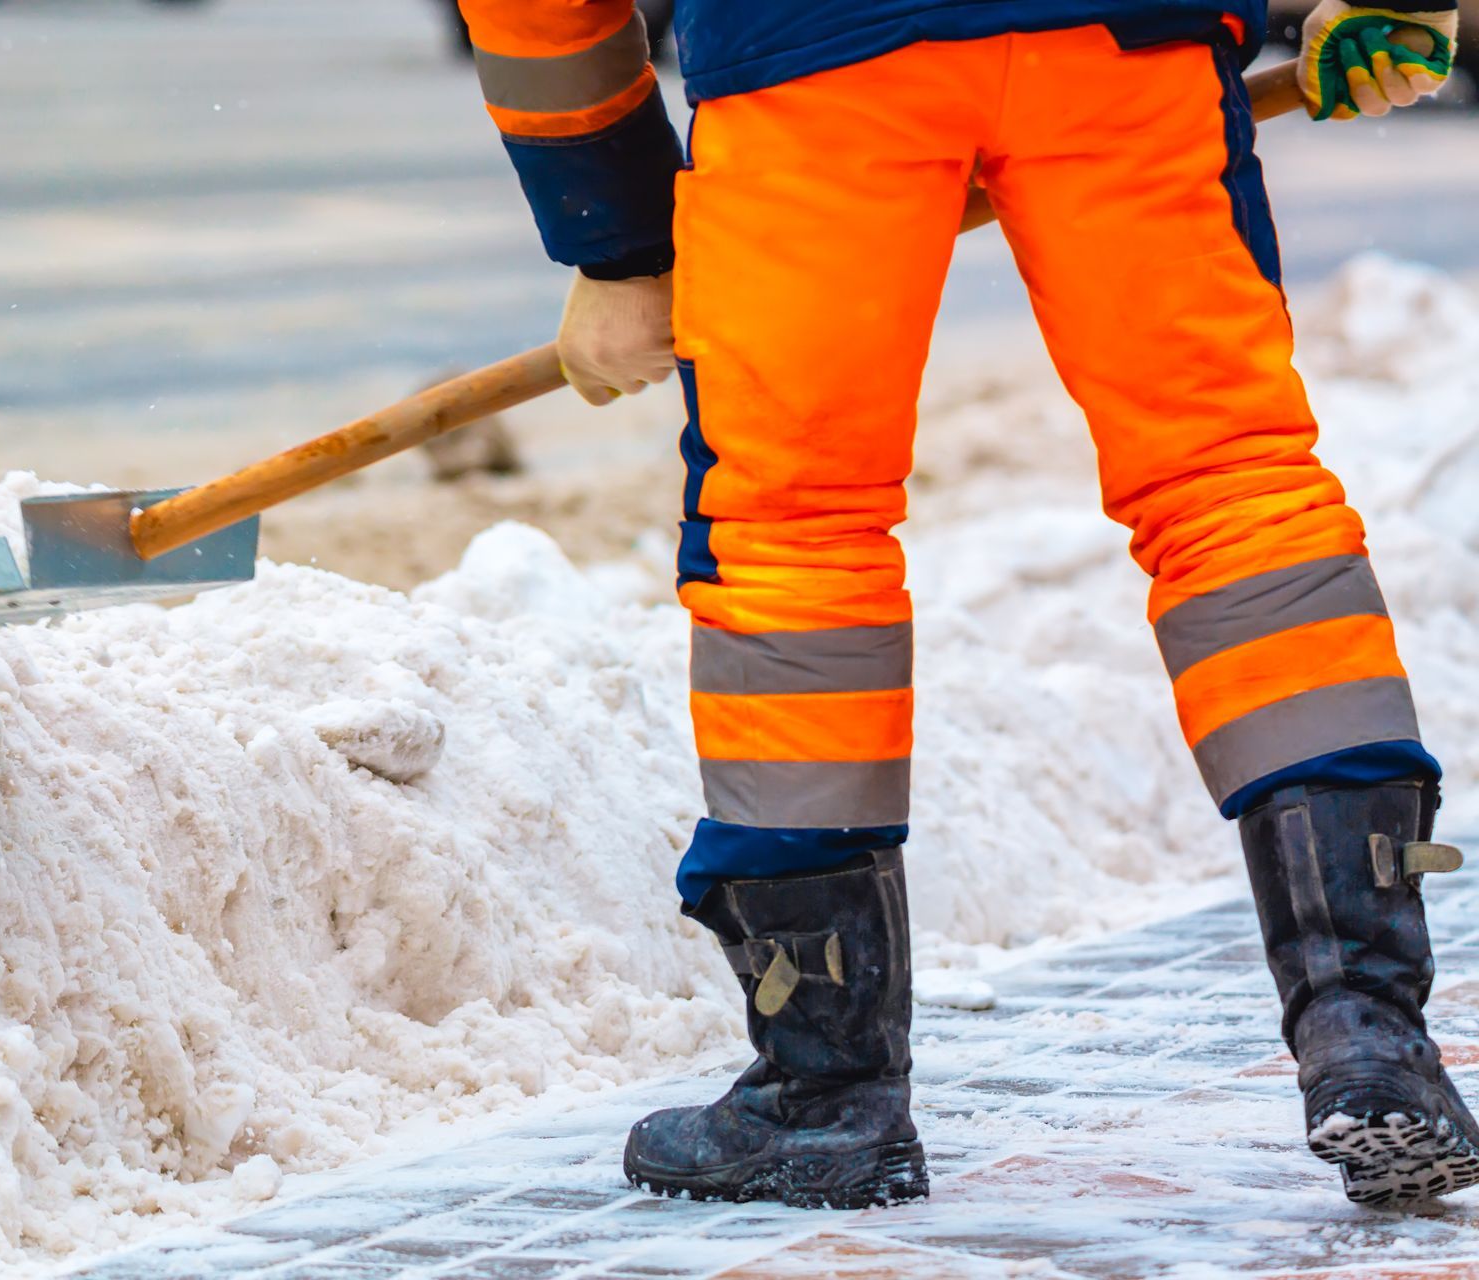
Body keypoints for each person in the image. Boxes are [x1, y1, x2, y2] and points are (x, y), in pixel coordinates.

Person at [454, 0, 1469, 1210]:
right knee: (1229, 485)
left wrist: (615, 238)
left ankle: (826, 1097)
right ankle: (1368, 1035)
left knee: (795, 539)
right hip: (1118, 47)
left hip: (816, 64)